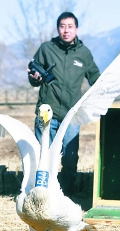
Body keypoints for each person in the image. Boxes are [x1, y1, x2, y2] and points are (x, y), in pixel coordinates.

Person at [28, 11, 100, 196]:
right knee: (44, 155)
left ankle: (66, 193)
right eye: (62, 26)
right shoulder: (46, 48)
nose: (66, 30)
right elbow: (34, 77)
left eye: (70, 26)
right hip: (47, 112)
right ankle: (42, 193)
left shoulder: (84, 53)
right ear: (58, 28)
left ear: (76, 29)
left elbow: (95, 79)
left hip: (71, 115)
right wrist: (34, 77)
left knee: (69, 157)